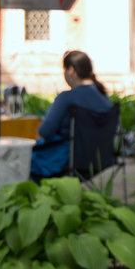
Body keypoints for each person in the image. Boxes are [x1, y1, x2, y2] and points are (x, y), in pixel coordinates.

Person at [30, 50, 112, 180]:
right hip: (101, 160)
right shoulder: (105, 99)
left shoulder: (67, 98)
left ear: (71, 70)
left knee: (23, 161)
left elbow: (45, 131)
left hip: (68, 160)